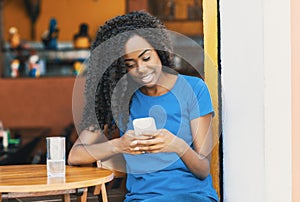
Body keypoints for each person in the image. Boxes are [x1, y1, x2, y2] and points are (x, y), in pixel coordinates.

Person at [68, 10, 219, 202]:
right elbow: (75, 155)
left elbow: (203, 169)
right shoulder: (122, 99)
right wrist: (118, 145)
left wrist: (177, 145)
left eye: (146, 58)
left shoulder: (194, 89)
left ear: (159, 50)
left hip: (193, 197)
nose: (141, 69)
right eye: (130, 65)